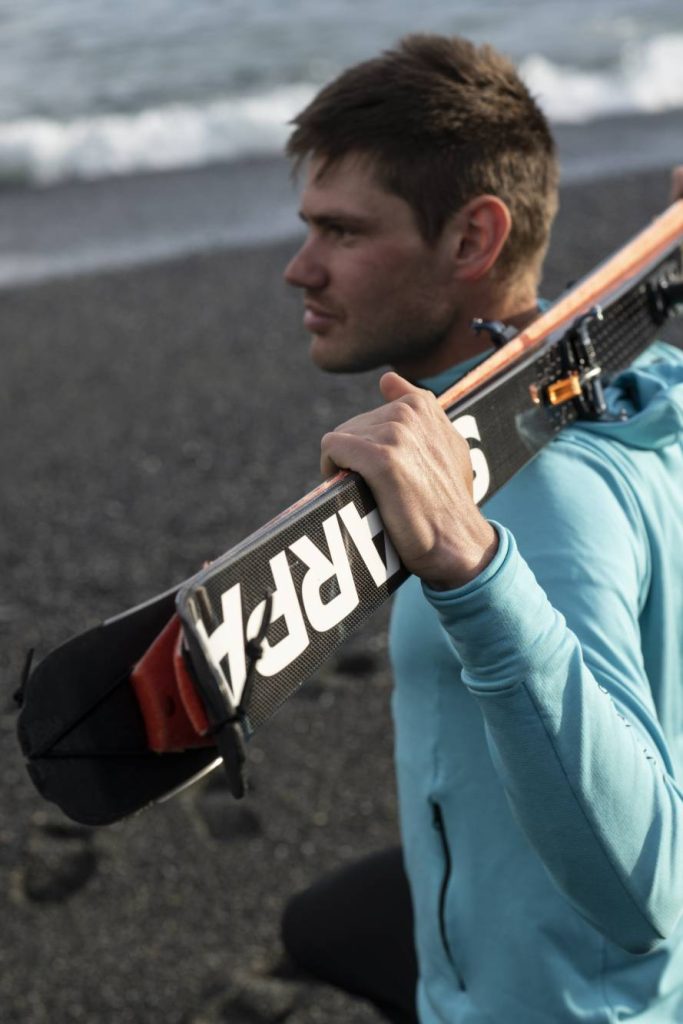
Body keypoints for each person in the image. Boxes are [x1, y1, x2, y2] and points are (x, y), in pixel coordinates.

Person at [279, 34, 683, 1024]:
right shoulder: (652, 398)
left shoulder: (539, 501)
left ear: (469, 241)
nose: (300, 269)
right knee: (320, 922)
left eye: (341, 232)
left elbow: (647, 890)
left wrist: (474, 572)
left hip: (558, 1001)